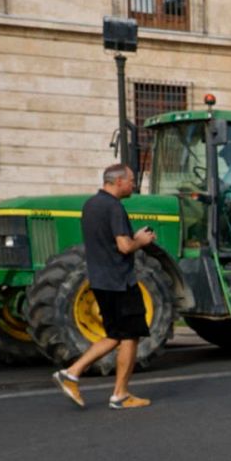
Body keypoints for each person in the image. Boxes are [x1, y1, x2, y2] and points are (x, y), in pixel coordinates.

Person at [52, 163, 156, 410]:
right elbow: (124, 246)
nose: (133, 184)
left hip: (99, 280)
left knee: (114, 335)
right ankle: (120, 394)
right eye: (131, 180)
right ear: (118, 181)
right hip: (120, 281)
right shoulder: (114, 207)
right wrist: (140, 240)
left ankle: (72, 373)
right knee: (130, 336)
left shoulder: (90, 205)